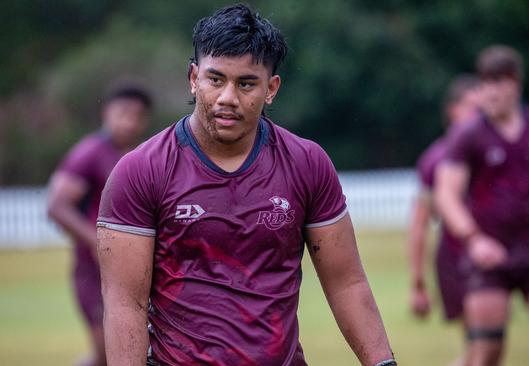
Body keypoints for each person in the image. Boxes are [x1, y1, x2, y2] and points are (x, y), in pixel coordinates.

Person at [96, 4, 395, 366]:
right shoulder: (140, 171)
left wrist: (383, 363)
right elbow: (125, 304)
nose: (227, 98)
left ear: (271, 88)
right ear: (194, 78)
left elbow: (347, 284)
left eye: (246, 83)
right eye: (215, 79)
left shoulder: (307, 163)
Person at [435, 45, 529, 366]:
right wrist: (474, 239)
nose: (489, 91)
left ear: (515, 83)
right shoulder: (469, 135)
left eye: (497, 82)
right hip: (489, 258)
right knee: (487, 354)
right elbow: (445, 195)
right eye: (484, 82)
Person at [47, 84, 152, 366]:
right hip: (94, 271)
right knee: (109, 353)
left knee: (133, 352)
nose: (129, 122)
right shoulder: (89, 152)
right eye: (123, 113)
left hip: (132, 269)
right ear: (107, 113)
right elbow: (57, 207)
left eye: (137, 115)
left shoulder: (142, 155)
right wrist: (97, 243)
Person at [407, 74, 481, 362]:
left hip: (495, 259)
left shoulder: (490, 151)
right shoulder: (436, 159)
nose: (480, 117)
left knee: (483, 349)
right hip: (458, 261)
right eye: (473, 109)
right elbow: (419, 226)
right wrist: (418, 284)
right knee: (482, 347)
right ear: (454, 110)